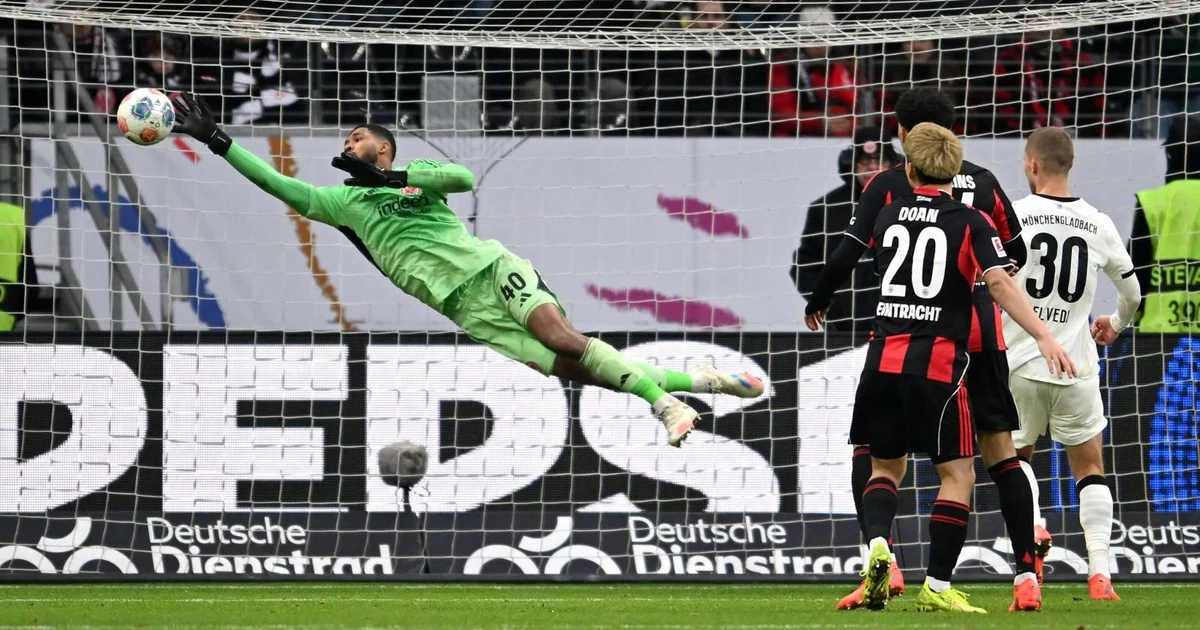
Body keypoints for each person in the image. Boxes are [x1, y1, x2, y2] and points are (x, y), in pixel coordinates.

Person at [168, 91, 765, 446]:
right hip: (464, 308)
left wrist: (398, 179)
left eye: (356, 140)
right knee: (582, 370)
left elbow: (464, 179)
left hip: (491, 270)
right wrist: (215, 138)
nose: (347, 146)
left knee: (560, 336)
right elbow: (280, 185)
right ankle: (698, 380)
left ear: (382, 148)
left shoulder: (415, 181)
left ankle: (666, 405)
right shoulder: (342, 204)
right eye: (346, 142)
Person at [805, 122, 1073, 613]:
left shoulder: (887, 214)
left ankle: (879, 548)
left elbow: (850, 256)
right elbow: (1000, 280)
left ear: (907, 167)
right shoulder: (972, 220)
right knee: (960, 472)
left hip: (882, 357)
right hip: (942, 362)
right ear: (958, 169)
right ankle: (942, 584)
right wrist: (1042, 334)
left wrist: (819, 299)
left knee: (882, 464)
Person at [1006, 127, 1141, 601]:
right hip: (1077, 368)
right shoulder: (1098, 223)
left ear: (1032, 165)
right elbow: (1133, 293)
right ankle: (1100, 573)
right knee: (1090, 469)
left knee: (1015, 459)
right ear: (1071, 164)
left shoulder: (1014, 217)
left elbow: (991, 283)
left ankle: (1036, 527)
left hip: (1020, 362)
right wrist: (1116, 324)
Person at [792, 126, 897, 337]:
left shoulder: (910, 204)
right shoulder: (826, 208)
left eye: (880, 160)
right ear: (852, 163)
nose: (872, 167)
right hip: (844, 330)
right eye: (865, 161)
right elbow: (804, 268)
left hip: (899, 326)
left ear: (892, 163)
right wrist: (830, 307)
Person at [1129, 115, 1200, 331]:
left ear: (1171, 154)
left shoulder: (1153, 202)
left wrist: (1131, 317)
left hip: (1158, 333)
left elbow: (1135, 269)